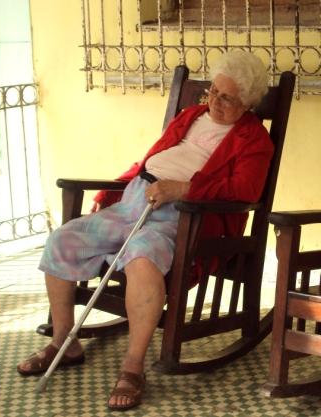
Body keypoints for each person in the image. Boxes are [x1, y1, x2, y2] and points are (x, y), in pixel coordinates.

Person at [17, 50, 273, 411]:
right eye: (212, 92)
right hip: (135, 201)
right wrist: (114, 188)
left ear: (246, 103)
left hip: (183, 217)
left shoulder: (253, 141)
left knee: (143, 257)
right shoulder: (190, 116)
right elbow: (149, 161)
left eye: (226, 97)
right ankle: (64, 342)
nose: (214, 101)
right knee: (63, 239)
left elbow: (243, 191)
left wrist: (182, 189)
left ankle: (133, 367)